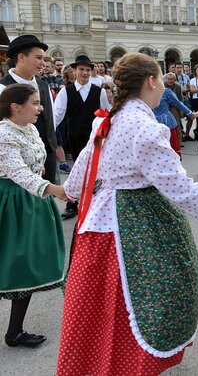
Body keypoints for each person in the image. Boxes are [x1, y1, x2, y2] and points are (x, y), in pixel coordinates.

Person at [56, 52, 198, 375]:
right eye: (161, 80)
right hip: (136, 225)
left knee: (102, 309)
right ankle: (134, 364)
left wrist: (68, 192)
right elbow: (182, 189)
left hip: (97, 227)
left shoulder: (107, 121)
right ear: (151, 81)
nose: (162, 86)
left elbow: (78, 182)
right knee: (163, 289)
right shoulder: (142, 128)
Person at [0, 84, 68, 348]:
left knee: (25, 267)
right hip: (10, 202)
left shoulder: (29, 128)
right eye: (36, 103)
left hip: (31, 201)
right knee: (10, 263)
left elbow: (39, 166)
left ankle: (14, 331)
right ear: (16, 106)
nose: (41, 108)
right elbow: (18, 172)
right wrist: (52, 189)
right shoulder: (4, 133)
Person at [53, 55, 112, 220]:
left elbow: (106, 113)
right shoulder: (66, 91)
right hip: (74, 135)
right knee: (77, 170)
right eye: (81, 69)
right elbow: (57, 115)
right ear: (74, 71)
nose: (84, 73)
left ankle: (95, 203)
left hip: (95, 138)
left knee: (96, 169)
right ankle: (72, 204)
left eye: (87, 69)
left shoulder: (98, 91)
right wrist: (48, 134)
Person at [0, 36, 58, 185]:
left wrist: (50, 149)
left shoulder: (44, 85)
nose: (43, 63)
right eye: (38, 58)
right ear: (21, 57)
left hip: (47, 156)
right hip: (16, 164)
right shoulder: (2, 88)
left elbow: (51, 119)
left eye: (44, 59)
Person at [153, 84, 195, 159]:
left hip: (167, 123)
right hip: (152, 124)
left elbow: (178, 103)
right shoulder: (142, 92)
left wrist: (189, 113)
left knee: (171, 151)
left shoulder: (165, 91)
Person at [186, 65, 198, 141]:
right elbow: (192, 90)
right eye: (197, 70)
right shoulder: (192, 80)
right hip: (195, 100)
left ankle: (197, 130)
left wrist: (197, 89)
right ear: (195, 71)